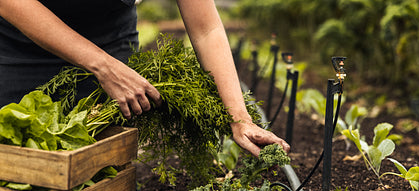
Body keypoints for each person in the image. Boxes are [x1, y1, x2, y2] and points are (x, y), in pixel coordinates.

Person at [0, 0, 290, 157]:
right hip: (20, 43)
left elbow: (206, 29)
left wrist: (240, 118)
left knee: (99, 170)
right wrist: (102, 66)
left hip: (110, 37)